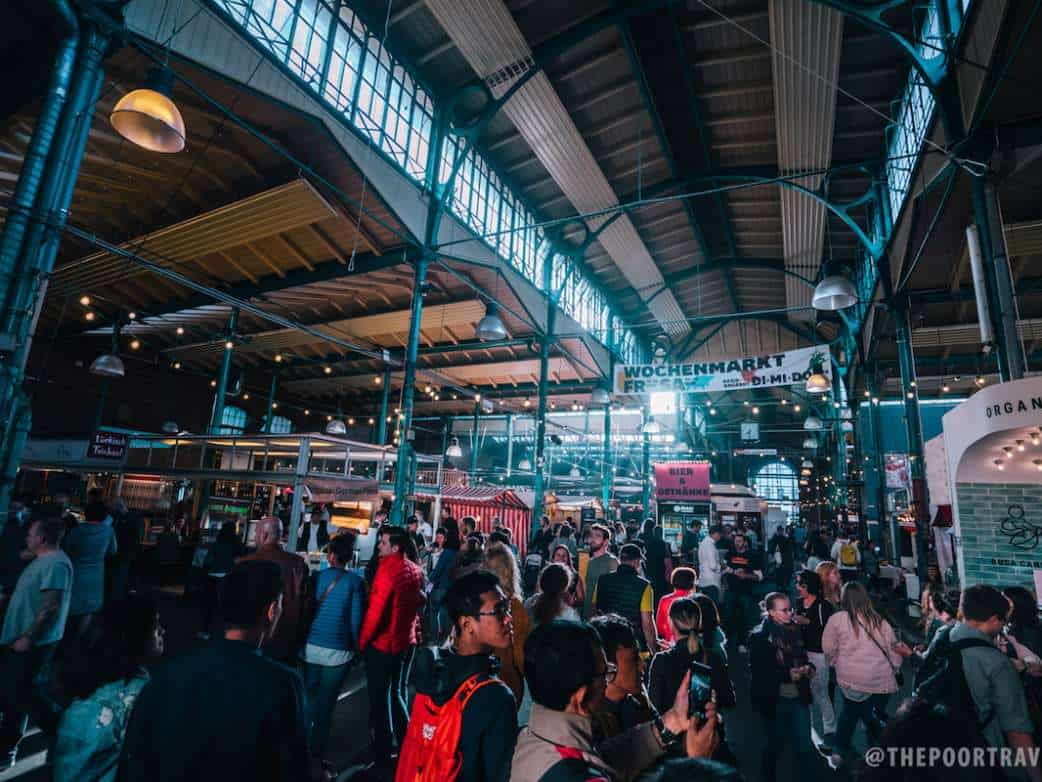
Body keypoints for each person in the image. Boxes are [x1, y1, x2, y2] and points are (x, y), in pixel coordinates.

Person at [118, 560, 313, 781]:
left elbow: (134, 761)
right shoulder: (284, 685)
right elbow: (293, 768)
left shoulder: (165, 676)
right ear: (272, 610)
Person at [511, 620, 720, 781]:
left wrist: (672, 721)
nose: (607, 681)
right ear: (582, 697)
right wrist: (698, 764)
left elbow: (603, 759)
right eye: (605, 674)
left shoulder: (531, 738)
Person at [399, 570, 517, 782]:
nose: (508, 617)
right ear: (466, 624)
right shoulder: (496, 697)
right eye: (499, 611)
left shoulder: (432, 675)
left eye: (507, 608)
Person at [923, 584, 1040, 778]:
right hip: (980, 756)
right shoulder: (997, 663)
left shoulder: (942, 635)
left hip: (934, 745)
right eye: (1003, 621)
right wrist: (1036, 775)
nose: (1003, 627)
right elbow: (1017, 732)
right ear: (993, 619)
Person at [53, 594, 164, 782]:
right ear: (135, 635)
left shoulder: (135, 679)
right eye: (155, 625)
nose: (162, 630)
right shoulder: (94, 710)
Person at [0, 518, 73, 755]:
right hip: (22, 637)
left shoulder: (56, 565)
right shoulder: (44, 559)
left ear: (41, 538)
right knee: (17, 688)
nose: (27, 537)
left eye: (30, 534)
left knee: (23, 692)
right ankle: (10, 737)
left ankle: (60, 731)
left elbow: (50, 606)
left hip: (34, 641)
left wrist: (28, 637)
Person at [821, 582, 912, 767]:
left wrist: (836, 662)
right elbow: (893, 649)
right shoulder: (879, 621)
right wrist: (895, 667)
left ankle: (839, 751)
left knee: (849, 713)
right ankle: (876, 754)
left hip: (851, 680)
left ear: (844, 598)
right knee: (873, 717)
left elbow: (828, 649)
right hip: (880, 680)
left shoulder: (837, 620)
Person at [358, 526, 425, 765]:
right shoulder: (414, 569)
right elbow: (419, 601)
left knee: (379, 700)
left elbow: (375, 614)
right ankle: (407, 744)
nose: (379, 546)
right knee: (396, 692)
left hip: (384, 644)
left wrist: (362, 642)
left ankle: (383, 753)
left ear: (395, 547)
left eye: (383, 542)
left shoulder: (387, 570)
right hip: (405, 641)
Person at [300, 532, 365, 760]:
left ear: (330, 556)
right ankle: (316, 755)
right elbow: (356, 621)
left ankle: (301, 749)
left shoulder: (316, 578)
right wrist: (357, 648)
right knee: (326, 705)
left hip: (310, 648)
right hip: (339, 653)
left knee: (308, 699)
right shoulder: (356, 583)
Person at [648, 595, 735, 763]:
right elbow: (729, 699)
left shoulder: (662, 661)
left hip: (674, 747)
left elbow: (654, 706)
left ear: (671, 623)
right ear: (699, 624)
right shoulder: (714, 657)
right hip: (708, 741)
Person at [748, 592, 814, 782]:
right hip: (775, 699)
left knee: (804, 745)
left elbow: (804, 657)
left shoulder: (795, 630)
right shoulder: (760, 638)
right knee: (774, 745)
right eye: (784, 610)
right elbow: (760, 674)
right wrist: (787, 675)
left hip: (799, 695)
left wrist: (809, 668)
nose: (790, 613)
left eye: (790, 609)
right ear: (771, 612)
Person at [238, 516, 308, 662]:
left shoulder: (246, 562)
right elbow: (303, 602)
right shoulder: (298, 563)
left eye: (256, 533)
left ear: (264, 535)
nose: (255, 537)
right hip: (285, 636)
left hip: (251, 636)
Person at [589, 614, 655, 738]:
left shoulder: (636, 705)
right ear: (608, 667)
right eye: (634, 659)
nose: (642, 666)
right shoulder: (590, 723)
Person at [792, 569, 836, 750]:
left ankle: (830, 732)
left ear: (809, 586)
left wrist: (807, 622)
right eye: (797, 583)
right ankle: (807, 732)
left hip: (818, 653)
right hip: (801, 653)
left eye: (800, 584)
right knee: (803, 692)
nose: (797, 587)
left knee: (821, 693)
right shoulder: (798, 602)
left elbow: (829, 631)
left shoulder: (823, 606)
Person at [484, 542, 532, 707]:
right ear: (510, 570)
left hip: (475, 683)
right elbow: (521, 656)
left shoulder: (476, 601)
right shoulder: (514, 607)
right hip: (505, 685)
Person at [63, 500, 117, 640]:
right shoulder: (108, 531)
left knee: (68, 606)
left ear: (86, 514)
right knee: (88, 609)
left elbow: (67, 548)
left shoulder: (76, 530)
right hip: (95, 574)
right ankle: (78, 641)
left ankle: (63, 638)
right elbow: (113, 551)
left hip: (75, 571)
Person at [593, 543, 658, 653]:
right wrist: (654, 650)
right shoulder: (644, 586)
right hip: (632, 643)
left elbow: (594, 611)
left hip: (606, 641)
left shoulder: (602, 580)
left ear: (620, 559)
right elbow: (647, 624)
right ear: (636, 561)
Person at [199, 521, 243, 639]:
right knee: (225, 605)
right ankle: (224, 632)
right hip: (227, 576)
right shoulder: (236, 544)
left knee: (209, 605)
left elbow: (208, 560)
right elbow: (239, 560)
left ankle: (205, 631)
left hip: (212, 575)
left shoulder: (217, 542)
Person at [722, 532, 763, 652]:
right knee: (729, 617)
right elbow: (724, 569)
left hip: (746, 591)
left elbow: (759, 577)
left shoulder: (753, 555)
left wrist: (746, 575)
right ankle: (726, 642)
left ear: (745, 542)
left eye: (739, 541)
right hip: (731, 591)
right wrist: (725, 579)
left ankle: (742, 643)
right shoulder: (730, 554)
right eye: (735, 541)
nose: (737, 544)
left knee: (744, 617)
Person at [583, 524, 618, 619]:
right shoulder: (590, 561)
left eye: (597, 536)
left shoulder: (612, 561)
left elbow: (615, 592)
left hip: (602, 616)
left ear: (606, 542)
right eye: (591, 535)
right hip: (587, 614)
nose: (592, 539)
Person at [655, 567, 697, 646]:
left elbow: (659, 628)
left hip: (669, 644)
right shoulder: (696, 600)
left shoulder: (664, 600)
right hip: (694, 644)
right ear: (692, 583)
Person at [641, 521, 672, 604]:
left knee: (652, 596)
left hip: (650, 573)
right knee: (661, 596)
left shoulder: (648, 543)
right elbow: (667, 562)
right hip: (661, 573)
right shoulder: (664, 544)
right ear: (662, 533)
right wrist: (669, 575)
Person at [698, 526, 723, 605]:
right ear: (716, 534)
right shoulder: (710, 545)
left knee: (706, 606)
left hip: (704, 580)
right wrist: (721, 566)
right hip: (711, 582)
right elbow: (713, 566)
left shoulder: (703, 543)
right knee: (712, 606)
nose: (720, 537)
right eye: (720, 535)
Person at [767, 526, 794, 594]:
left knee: (779, 572)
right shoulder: (784, 539)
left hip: (779, 559)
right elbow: (788, 550)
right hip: (784, 559)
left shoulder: (775, 539)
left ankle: (779, 586)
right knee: (784, 573)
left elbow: (772, 549)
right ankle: (783, 586)